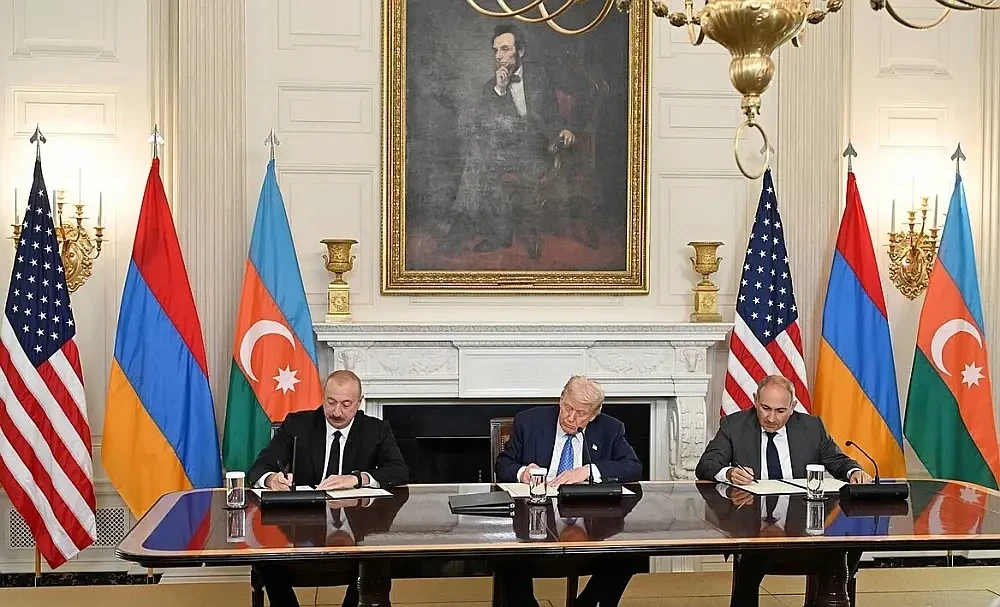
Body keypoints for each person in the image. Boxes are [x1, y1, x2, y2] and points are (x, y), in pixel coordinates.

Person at [696, 375, 872, 607]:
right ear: (755, 400)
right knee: (755, 551)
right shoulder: (734, 425)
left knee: (844, 545)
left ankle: (830, 597)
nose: (771, 418)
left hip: (803, 521)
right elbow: (706, 464)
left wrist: (853, 471)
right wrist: (728, 473)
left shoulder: (811, 427)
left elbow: (837, 460)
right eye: (765, 408)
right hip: (752, 520)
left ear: (793, 407)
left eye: (780, 411)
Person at [248, 370, 409, 607]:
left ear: (359, 402)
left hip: (356, 526)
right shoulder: (298, 425)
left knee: (377, 559)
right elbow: (258, 468)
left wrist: (358, 478)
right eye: (331, 402)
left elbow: (399, 470)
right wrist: (272, 479)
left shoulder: (376, 429)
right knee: (267, 555)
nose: (337, 412)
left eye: (346, 405)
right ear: (323, 397)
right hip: (302, 527)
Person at [494, 376, 641, 607]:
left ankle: (587, 603)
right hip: (534, 516)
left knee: (631, 553)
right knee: (508, 555)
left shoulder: (610, 428)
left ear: (594, 415)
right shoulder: (529, 421)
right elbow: (503, 464)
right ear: (561, 400)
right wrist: (522, 472)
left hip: (588, 518)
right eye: (567, 408)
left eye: (581, 413)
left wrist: (589, 471)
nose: (571, 418)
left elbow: (633, 466)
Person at [443, 23, 576, 259]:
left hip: (537, 151)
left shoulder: (539, 76)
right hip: (504, 151)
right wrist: (500, 91)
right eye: (496, 50)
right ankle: (478, 231)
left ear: (521, 51)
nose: (499, 56)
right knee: (478, 159)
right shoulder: (491, 87)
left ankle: (481, 231)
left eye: (505, 49)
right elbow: (485, 126)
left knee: (479, 160)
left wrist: (563, 129)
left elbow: (552, 114)